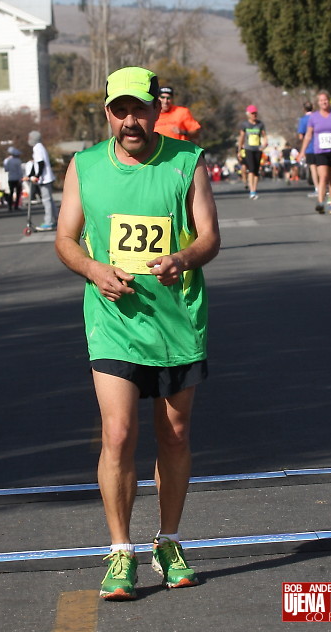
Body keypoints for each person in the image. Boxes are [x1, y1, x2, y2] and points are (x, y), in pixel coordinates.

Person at [55, 66, 220, 600]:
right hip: (114, 322)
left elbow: (210, 237)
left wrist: (182, 258)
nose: (130, 120)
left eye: (139, 109)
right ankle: (120, 550)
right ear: (108, 113)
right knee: (119, 434)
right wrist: (92, 269)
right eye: (119, 110)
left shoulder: (187, 161)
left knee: (174, 435)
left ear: (156, 110)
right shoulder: (84, 166)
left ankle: (168, 541)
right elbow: (65, 238)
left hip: (176, 321)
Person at [298, 90, 331, 215]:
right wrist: (302, 151)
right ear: (318, 103)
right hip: (320, 151)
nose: (323, 102)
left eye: (325, 100)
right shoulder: (314, 117)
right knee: (323, 176)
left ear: (329, 101)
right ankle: (320, 202)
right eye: (321, 100)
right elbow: (308, 135)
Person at [27, 131, 57, 231]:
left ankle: (48, 222)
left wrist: (37, 176)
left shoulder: (37, 148)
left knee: (46, 201)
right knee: (50, 200)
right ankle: (57, 219)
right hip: (45, 178)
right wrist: (30, 175)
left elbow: (41, 163)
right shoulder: (39, 147)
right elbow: (36, 164)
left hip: (45, 179)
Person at [237, 105, 268, 199]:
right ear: (248, 114)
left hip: (258, 149)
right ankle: (252, 191)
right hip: (248, 149)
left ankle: (255, 189)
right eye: (252, 113)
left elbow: (264, 136)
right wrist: (239, 150)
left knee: (256, 170)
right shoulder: (245, 125)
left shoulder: (260, 124)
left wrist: (264, 145)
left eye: (255, 113)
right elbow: (241, 137)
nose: (254, 115)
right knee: (251, 169)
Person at [297, 102, 319, 197]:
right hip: (321, 146)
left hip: (310, 147)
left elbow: (301, 136)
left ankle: (318, 188)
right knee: (321, 167)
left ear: (304, 109)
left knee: (313, 169)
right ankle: (324, 186)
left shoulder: (303, 120)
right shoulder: (318, 117)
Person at [3, 146, 24, 211]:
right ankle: (16, 206)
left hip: (11, 178)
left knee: (11, 192)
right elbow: (20, 171)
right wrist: (21, 179)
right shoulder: (18, 161)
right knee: (18, 192)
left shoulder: (8, 161)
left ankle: (10, 206)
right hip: (17, 178)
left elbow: (6, 169)